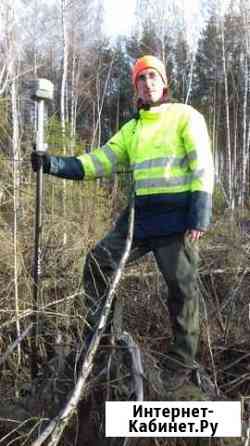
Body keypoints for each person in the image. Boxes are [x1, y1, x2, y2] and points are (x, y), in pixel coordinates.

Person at [31, 55, 214, 387]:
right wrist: (53, 165)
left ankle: (181, 361)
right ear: (137, 89)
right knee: (99, 263)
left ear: (164, 81)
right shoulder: (132, 129)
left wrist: (199, 214)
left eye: (153, 76)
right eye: (141, 79)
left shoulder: (185, 116)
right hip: (139, 219)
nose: (148, 83)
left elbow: (202, 164)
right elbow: (101, 161)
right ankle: (104, 340)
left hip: (177, 219)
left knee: (181, 288)